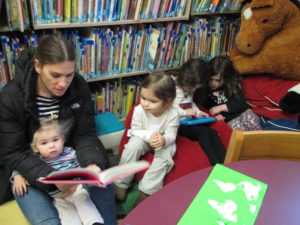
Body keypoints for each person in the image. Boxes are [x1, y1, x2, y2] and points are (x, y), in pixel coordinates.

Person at [0, 35, 116, 225]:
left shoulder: (79, 87)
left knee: (104, 218)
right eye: (55, 75)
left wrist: (91, 163)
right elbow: (13, 153)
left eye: (69, 75)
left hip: (71, 160)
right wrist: (53, 178)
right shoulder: (11, 97)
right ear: (38, 66)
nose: (63, 83)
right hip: (31, 171)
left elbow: (84, 134)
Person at [12, 116, 104, 225]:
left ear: (63, 140)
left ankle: (94, 222)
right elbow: (22, 166)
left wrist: (85, 177)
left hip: (76, 190)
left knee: (85, 204)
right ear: (35, 148)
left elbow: (81, 169)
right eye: (44, 143)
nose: (51, 146)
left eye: (55, 140)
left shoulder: (70, 153)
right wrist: (17, 176)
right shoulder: (36, 159)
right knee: (67, 217)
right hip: (58, 198)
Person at [114, 72, 179, 206]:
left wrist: (163, 140)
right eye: (143, 98)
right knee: (132, 146)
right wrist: (150, 136)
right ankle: (121, 183)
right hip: (143, 138)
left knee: (163, 159)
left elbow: (172, 135)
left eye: (153, 101)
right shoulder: (139, 110)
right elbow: (135, 130)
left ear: (168, 101)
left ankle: (146, 192)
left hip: (163, 142)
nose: (146, 104)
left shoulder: (173, 113)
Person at [171, 57, 226, 165]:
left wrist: (198, 112)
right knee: (203, 133)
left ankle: (227, 163)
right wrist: (184, 112)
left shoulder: (190, 86)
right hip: (174, 123)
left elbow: (190, 104)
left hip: (188, 122)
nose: (193, 90)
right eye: (193, 87)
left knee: (212, 132)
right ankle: (215, 165)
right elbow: (166, 107)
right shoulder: (171, 85)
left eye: (196, 87)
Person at [203, 55, 261, 130]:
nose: (213, 83)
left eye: (218, 80)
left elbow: (243, 104)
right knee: (238, 128)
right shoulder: (205, 88)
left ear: (226, 78)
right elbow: (204, 108)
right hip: (229, 121)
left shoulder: (232, 85)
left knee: (250, 118)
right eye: (210, 79)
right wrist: (215, 116)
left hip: (242, 114)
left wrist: (221, 107)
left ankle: (261, 140)